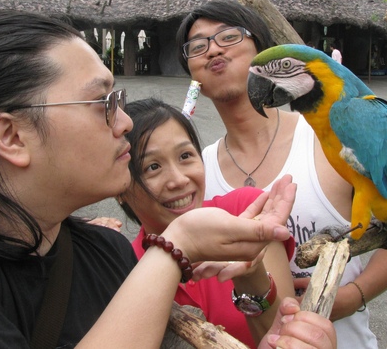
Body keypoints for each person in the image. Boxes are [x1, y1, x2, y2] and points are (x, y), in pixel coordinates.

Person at [0, 11, 336, 349]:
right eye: (102, 102)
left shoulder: (103, 255)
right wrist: (172, 250)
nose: (124, 121)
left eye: (117, 99)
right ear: (11, 136)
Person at [175, 0, 387, 348]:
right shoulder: (196, 171)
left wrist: (349, 297)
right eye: (197, 46)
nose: (213, 48)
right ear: (191, 71)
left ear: (262, 48)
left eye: (228, 36)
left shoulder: (331, 137)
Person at [117, 97, 297, 348]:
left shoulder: (245, 212)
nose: (179, 180)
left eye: (185, 155)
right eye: (153, 166)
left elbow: (289, 337)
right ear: (120, 187)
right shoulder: (123, 270)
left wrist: (251, 276)